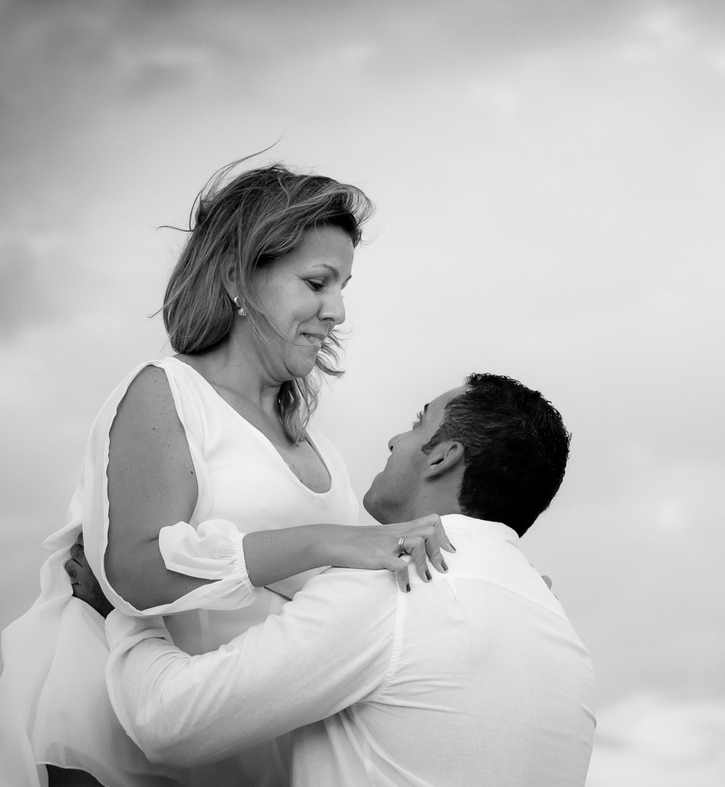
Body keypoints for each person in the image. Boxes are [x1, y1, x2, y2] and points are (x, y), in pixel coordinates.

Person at [0, 161, 453, 787]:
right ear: (241, 278)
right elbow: (129, 570)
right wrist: (326, 541)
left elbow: (355, 595)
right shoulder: (166, 393)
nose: (338, 310)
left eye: (344, 285)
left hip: (244, 748)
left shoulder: (319, 448)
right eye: (318, 282)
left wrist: (477, 579)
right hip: (118, 742)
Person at [106, 373, 596, 787]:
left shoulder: (397, 583)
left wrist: (127, 610)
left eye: (417, 422)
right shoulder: (565, 640)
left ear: (442, 457)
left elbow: (168, 722)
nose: (394, 440)